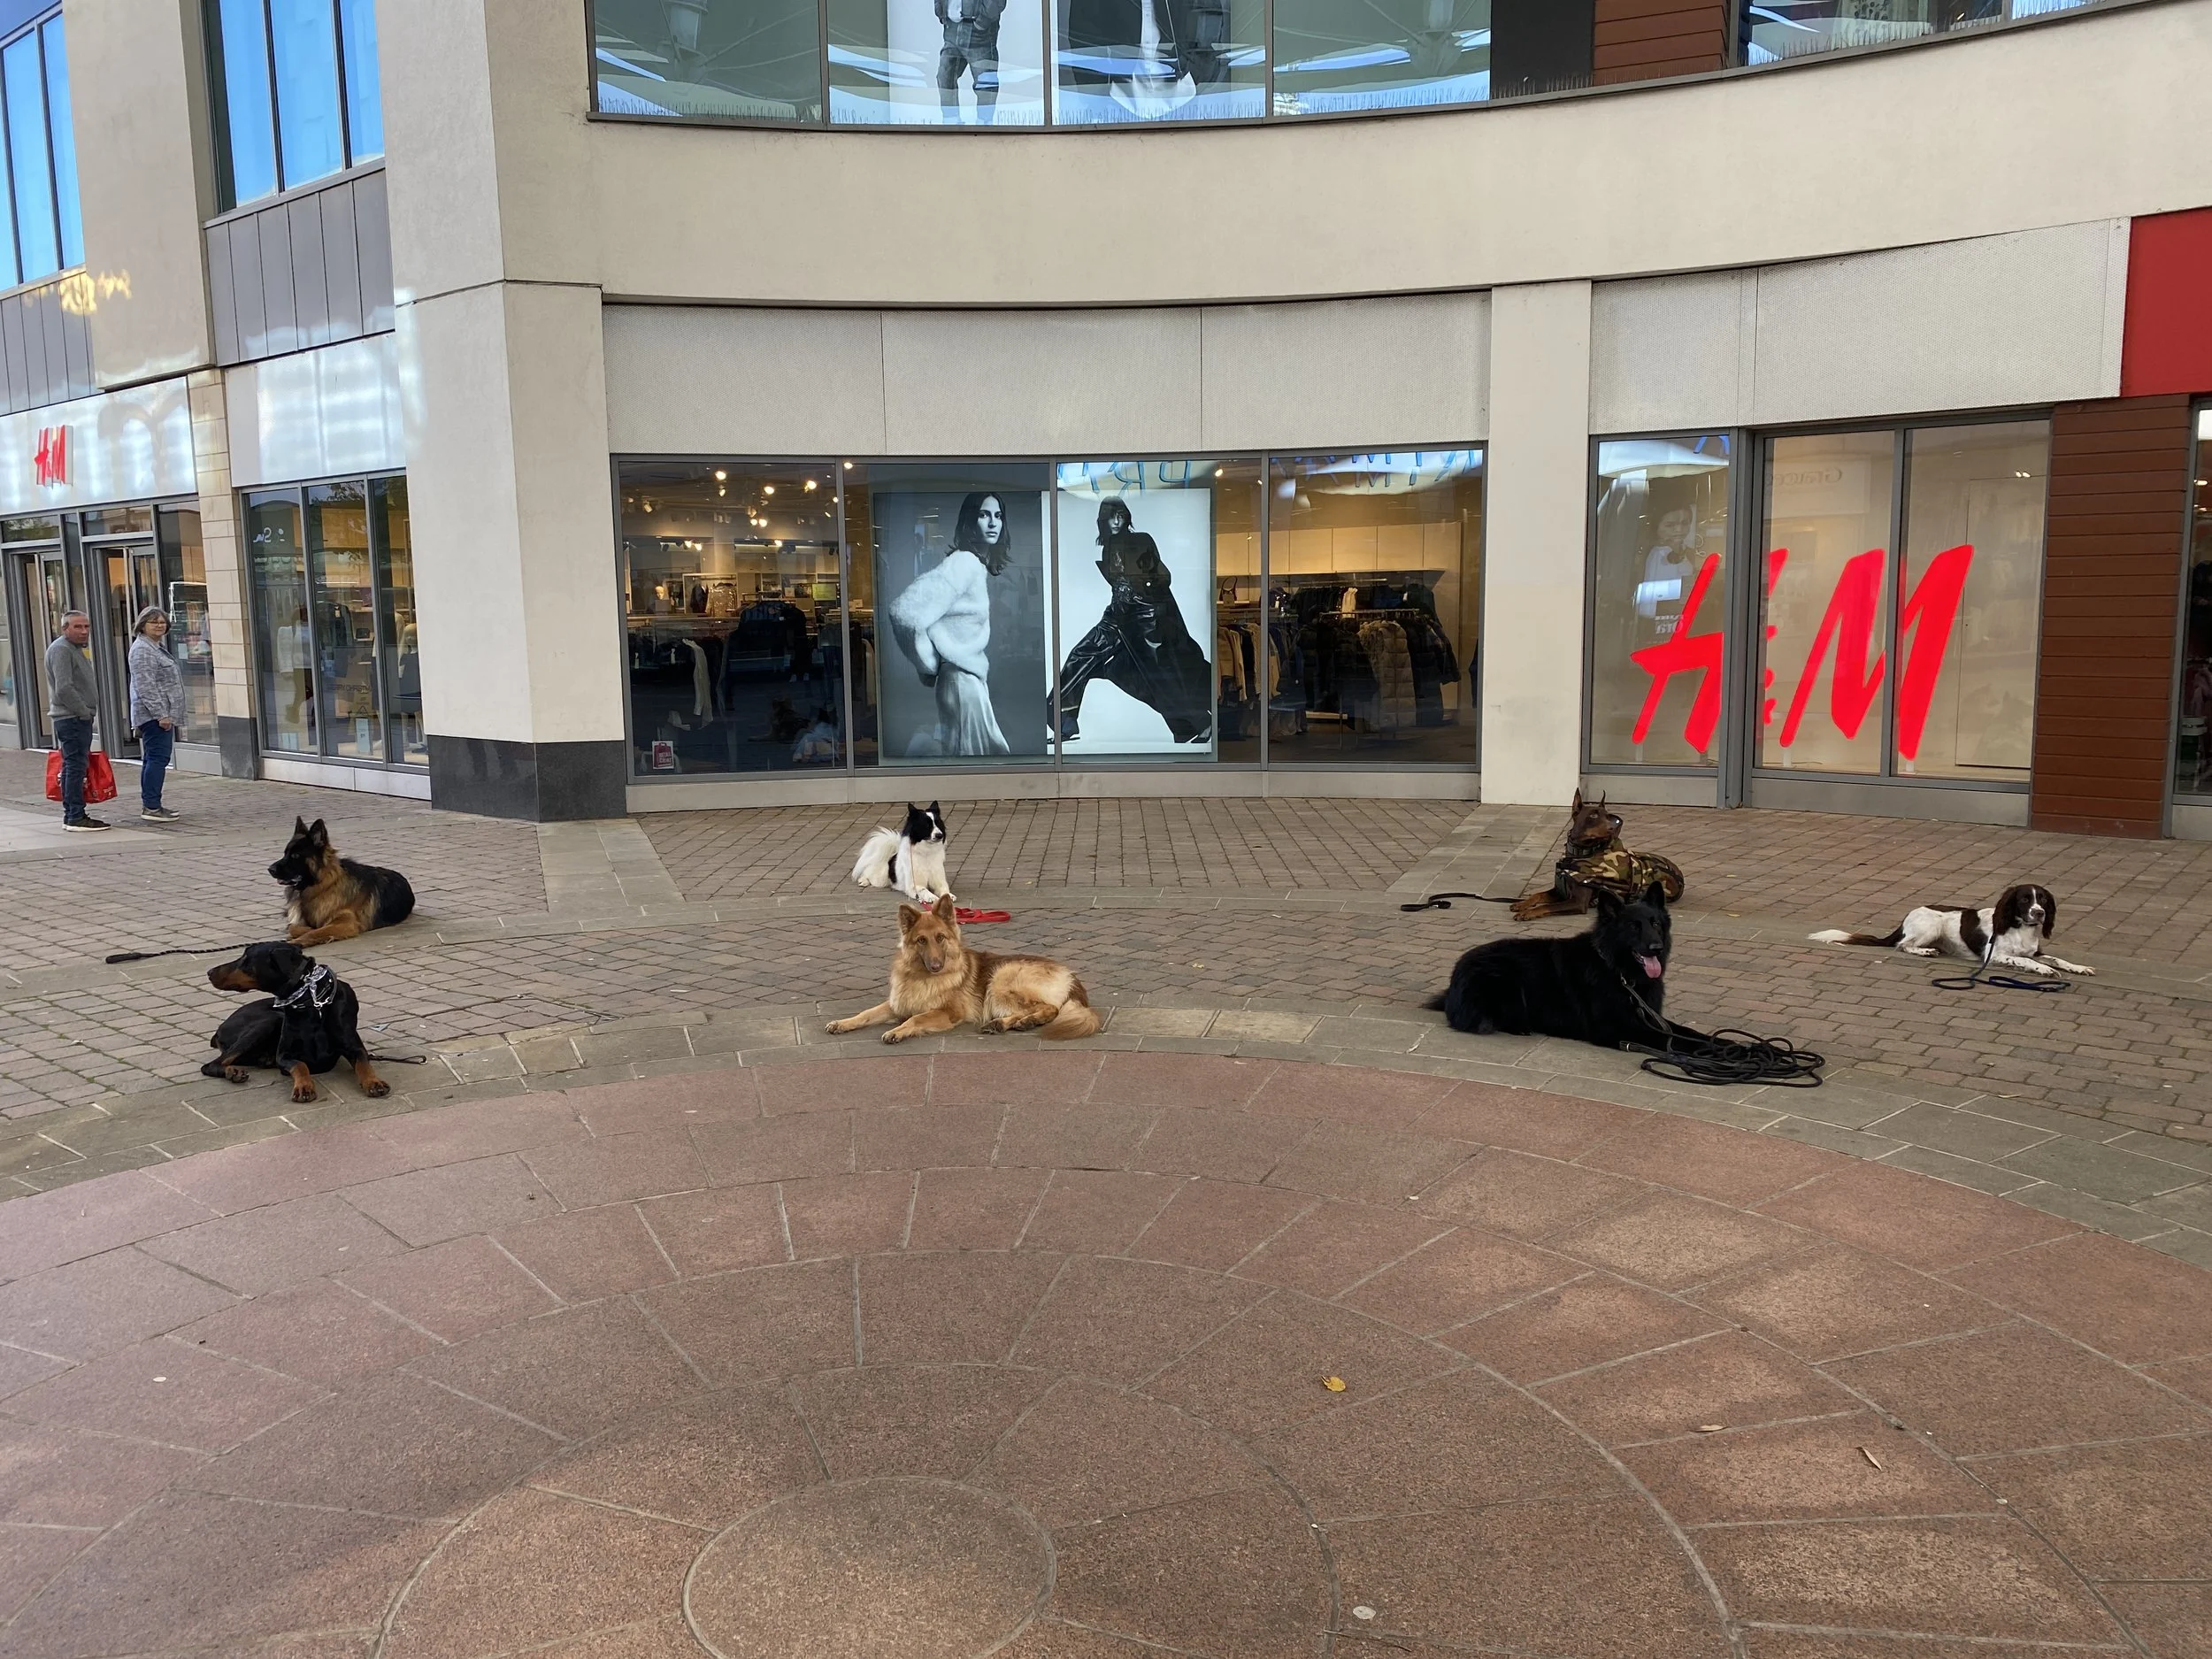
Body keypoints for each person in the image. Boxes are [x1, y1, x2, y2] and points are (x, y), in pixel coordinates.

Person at [1053, 496, 1212, 744]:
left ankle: (1200, 723)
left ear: (1127, 517)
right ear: (1103, 520)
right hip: (1115, 617)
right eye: (1111, 516)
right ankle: (1065, 723)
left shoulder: (1142, 540)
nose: (1116, 521)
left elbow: (1163, 576)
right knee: (1080, 657)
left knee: (1157, 678)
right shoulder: (1107, 547)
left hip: (1144, 618)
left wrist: (1145, 592)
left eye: (1120, 515)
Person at [887, 492, 1012, 757]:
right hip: (960, 681)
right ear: (970, 520)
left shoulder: (973, 564)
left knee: (977, 756)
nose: (993, 523)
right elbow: (904, 613)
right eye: (984, 515)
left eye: (998, 516)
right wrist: (931, 663)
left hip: (966, 680)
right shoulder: (964, 562)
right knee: (975, 760)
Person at [44, 610, 105, 833]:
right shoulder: (62, 649)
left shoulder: (74, 648)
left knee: (75, 765)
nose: (84, 631)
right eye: (78, 627)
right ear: (64, 628)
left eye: (86, 626)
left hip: (75, 717)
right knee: (75, 766)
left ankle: (73, 814)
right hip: (71, 718)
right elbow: (64, 688)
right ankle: (75, 816)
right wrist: (83, 712)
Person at [127, 606, 185, 823]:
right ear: (142, 625)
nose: (160, 625)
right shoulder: (143, 649)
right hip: (154, 716)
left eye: (162, 622)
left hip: (159, 714)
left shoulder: (154, 646)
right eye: (154, 622)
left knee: (154, 758)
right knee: (157, 759)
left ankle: (152, 804)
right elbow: (146, 686)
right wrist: (161, 714)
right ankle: (151, 806)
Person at [935, 0, 1003, 124]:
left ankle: (984, 124)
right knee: (945, 75)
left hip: (979, 33)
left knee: (985, 81)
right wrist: (941, 11)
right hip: (952, 29)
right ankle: (951, 122)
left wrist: (983, 21)